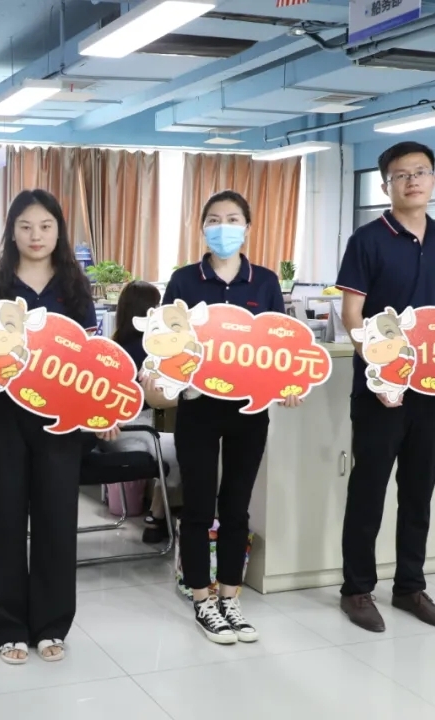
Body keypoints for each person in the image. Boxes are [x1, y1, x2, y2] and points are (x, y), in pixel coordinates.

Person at [0, 189, 113, 665]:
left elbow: (91, 361)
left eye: (45, 226)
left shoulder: (75, 289)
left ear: (59, 231)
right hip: (2, 419)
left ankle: (51, 624)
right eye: (25, 226)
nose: (36, 235)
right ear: (12, 232)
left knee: (56, 523)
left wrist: (103, 410)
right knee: (2, 522)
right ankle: (6, 627)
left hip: (59, 425)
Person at [145, 190, 300, 645]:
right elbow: (165, 340)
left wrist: (289, 383)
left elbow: (280, 345)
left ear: (247, 228)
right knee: (197, 506)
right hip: (197, 408)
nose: (223, 227)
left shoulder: (264, 282)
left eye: (233, 219)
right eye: (214, 219)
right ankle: (202, 600)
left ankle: (231, 597)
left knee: (237, 505)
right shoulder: (184, 281)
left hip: (250, 411)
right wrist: (163, 375)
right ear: (202, 228)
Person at [335, 141, 435, 633]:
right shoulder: (368, 239)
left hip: (430, 389)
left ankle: (410, 586)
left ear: (434, 179)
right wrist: (381, 368)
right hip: (380, 391)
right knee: (368, 490)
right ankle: (356, 589)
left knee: (418, 490)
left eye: (421, 172)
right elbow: (352, 315)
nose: (412, 181)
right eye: (401, 174)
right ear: (385, 184)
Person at [107, 280, 181, 544]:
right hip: (132, 431)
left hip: (107, 435)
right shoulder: (149, 349)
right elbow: (158, 399)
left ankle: (157, 515)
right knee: (184, 448)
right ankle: (157, 516)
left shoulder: (115, 343)